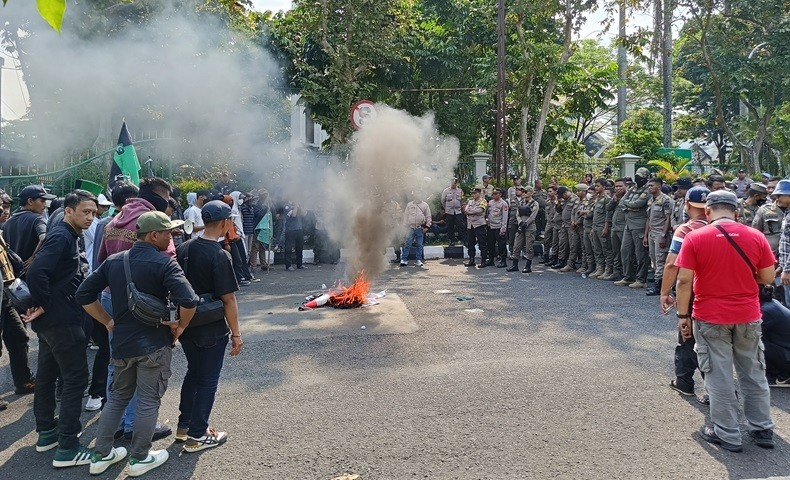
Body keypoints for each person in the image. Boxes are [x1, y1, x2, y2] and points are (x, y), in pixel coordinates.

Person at [77, 211, 199, 476]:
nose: (171, 238)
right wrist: (179, 327)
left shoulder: (114, 261)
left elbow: (83, 293)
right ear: (154, 235)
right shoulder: (165, 263)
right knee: (147, 400)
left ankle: (101, 455)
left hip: (122, 344)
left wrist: (107, 321)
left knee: (117, 398)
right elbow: (189, 301)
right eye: (168, 233)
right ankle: (140, 458)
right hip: (154, 344)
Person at [675, 189, 776, 452]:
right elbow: (767, 278)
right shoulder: (756, 236)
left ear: (707, 211)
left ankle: (728, 434)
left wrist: (682, 316)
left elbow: (684, 280)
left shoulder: (696, 238)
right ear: (737, 211)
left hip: (710, 316)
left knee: (718, 375)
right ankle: (762, 428)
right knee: (753, 371)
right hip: (748, 314)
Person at [24, 190, 97, 467]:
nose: (90, 217)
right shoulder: (62, 235)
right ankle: (68, 447)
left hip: (55, 322)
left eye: (93, 212)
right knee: (76, 379)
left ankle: (47, 434)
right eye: (85, 212)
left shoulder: (67, 234)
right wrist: (45, 304)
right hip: (62, 321)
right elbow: (36, 272)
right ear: (68, 211)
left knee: (47, 374)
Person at [175, 201, 243, 452]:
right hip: (211, 326)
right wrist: (236, 334)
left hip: (187, 323)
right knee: (208, 380)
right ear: (225, 223)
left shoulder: (184, 248)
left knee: (193, 373)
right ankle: (197, 434)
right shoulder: (219, 254)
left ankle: (184, 426)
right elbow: (228, 298)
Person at [660, 186, 710, 403]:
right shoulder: (722, 228)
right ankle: (716, 390)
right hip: (718, 292)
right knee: (717, 343)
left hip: (690, 291)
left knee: (687, 335)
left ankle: (684, 382)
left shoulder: (685, 230)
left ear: (688, 205)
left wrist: (664, 292)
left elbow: (672, 265)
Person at [0, 190, 35, 399]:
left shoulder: (1, 231)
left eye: (6, 206)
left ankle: (23, 381)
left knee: (19, 336)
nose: (4, 211)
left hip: (6, 296)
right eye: (2, 206)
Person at [3, 185, 55, 267]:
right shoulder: (38, 219)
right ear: (30, 201)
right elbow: (45, 238)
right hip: (31, 270)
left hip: (13, 272)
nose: (45, 205)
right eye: (42, 201)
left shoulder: (8, 222)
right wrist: (34, 257)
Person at [618, 168, 650, 288]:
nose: (638, 178)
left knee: (640, 253)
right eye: (637, 176)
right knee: (625, 250)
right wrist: (630, 208)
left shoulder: (648, 190)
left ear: (646, 177)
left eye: (641, 177)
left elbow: (638, 204)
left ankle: (641, 279)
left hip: (639, 225)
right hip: (629, 223)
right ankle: (628, 277)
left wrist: (631, 205)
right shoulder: (633, 188)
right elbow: (622, 202)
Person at [644, 177, 673, 296]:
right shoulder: (651, 200)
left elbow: (668, 219)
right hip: (652, 233)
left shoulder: (666, 200)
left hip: (660, 233)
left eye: (652, 185)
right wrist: (646, 235)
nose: (649, 187)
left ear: (659, 187)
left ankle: (659, 287)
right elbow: (648, 219)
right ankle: (659, 283)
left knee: (660, 259)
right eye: (649, 185)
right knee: (654, 259)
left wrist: (663, 235)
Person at [758, 285, 790, 387]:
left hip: (786, 356)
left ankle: (783, 375)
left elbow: (745, 337)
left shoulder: (765, 311)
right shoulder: (771, 303)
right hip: (785, 350)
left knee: (751, 341)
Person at [507, 186, 538, 273]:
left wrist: (526, 223)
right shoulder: (521, 202)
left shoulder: (535, 203)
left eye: (526, 192)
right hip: (521, 226)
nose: (523, 193)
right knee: (516, 246)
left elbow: (533, 216)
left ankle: (528, 266)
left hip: (530, 227)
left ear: (531, 193)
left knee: (529, 247)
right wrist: (520, 222)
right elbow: (517, 214)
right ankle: (514, 265)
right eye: (523, 191)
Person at [400, 193, 431, 268]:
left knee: (419, 245)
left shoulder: (425, 205)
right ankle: (404, 259)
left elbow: (428, 216)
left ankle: (418, 260)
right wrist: (404, 226)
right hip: (410, 227)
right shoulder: (409, 205)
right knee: (407, 244)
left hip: (420, 228)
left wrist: (427, 226)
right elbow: (406, 216)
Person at [590, 178, 612, 279]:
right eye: (595, 185)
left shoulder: (607, 199)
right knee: (597, 249)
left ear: (604, 187)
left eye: (598, 186)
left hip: (602, 227)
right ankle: (600, 268)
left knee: (606, 249)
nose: (596, 187)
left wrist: (606, 227)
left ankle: (608, 270)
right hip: (595, 227)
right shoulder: (597, 198)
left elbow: (608, 215)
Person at [463, 187, 488, 268]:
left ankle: (483, 261)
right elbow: (465, 210)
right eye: (473, 193)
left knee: (482, 243)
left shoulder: (483, 201)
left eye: (475, 193)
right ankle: (471, 260)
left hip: (479, 225)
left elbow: (480, 210)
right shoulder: (470, 201)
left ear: (479, 193)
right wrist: (471, 212)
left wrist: (470, 212)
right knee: (470, 243)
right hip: (470, 225)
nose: (473, 194)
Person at [485, 188, 508, 268]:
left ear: (500, 194)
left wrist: (503, 229)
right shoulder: (490, 203)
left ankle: (503, 261)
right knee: (490, 244)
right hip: (491, 226)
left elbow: (505, 217)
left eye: (496, 193)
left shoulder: (503, 204)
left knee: (501, 244)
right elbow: (488, 213)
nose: (494, 195)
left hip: (499, 226)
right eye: (493, 193)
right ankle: (491, 260)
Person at [282, 201, 305, 272]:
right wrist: (295, 206)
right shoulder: (287, 205)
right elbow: (293, 214)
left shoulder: (297, 204)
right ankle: (288, 265)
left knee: (299, 247)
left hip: (299, 228)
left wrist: (299, 206)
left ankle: (299, 264)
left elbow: (303, 214)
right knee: (288, 248)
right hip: (290, 229)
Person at [441, 178, 464, 246]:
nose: (454, 184)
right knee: (450, 226)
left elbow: (462, 200)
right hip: (449, 211)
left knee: (460, 225)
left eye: (455, 183)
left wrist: (461, 207)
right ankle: (451, 240)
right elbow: (443, 200)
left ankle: (462, 239)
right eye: (453, 182)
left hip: (458, 211)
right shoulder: (446, 191)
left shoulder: (460, 191)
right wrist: (446, 208)